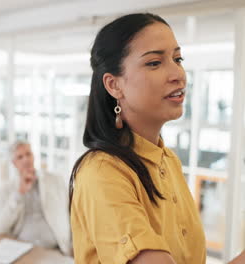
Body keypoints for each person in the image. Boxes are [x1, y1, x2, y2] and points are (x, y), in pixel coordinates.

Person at [69, 13, 245, 264]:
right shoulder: (101, 172)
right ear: (114, 85)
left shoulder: (168, 160)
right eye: (154, 63)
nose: (178, 74)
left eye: (178, 58)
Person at [0, 141, 72, 256]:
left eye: (28, 154)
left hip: (56, 250)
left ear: (34, 156)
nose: (25, 159)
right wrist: (19, 194)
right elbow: (0, 227)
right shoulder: (6, 189)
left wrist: (73, 246)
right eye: (20, 157)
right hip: (22, 251)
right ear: (14, 163)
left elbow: (72, 214)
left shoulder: (55, 180)